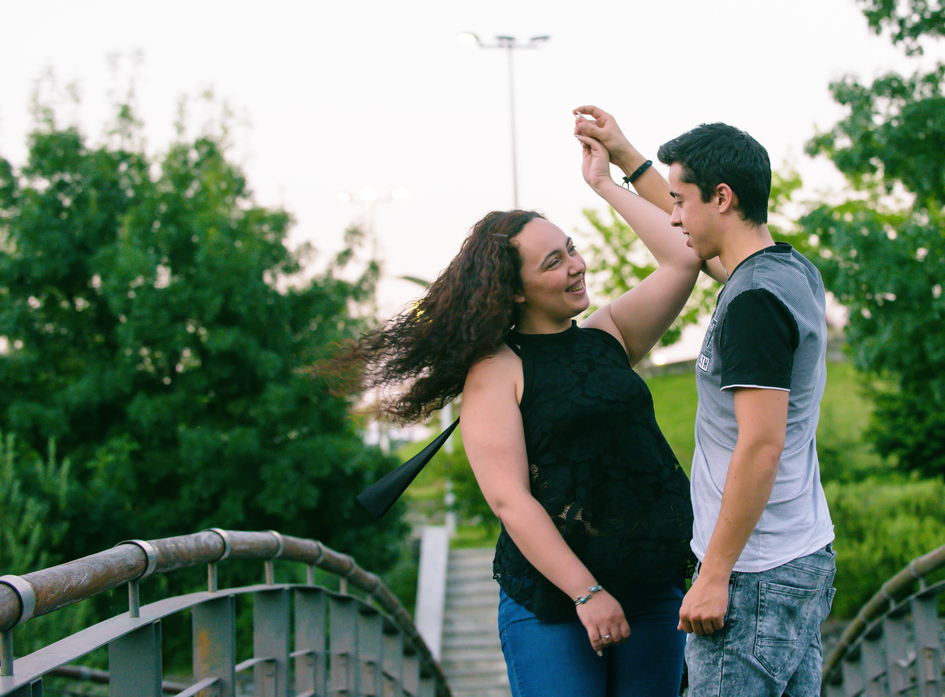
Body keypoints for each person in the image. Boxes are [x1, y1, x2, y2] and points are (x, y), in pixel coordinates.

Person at [332, 131, 701, 696]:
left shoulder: (609, 335)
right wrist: (587, 593)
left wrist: (606, 181)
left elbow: (682, 256)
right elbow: (510, 498)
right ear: (518, 290)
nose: (577, 266)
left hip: (652, 590)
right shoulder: (495, 370)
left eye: (572, 248)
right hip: (557, 603)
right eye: (555, 262)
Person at [576, 106, 836, 697]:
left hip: (755, 573)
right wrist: (620, 162)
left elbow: (761, 443)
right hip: (799, 556)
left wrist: (715, 575)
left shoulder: (753, 303)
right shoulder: (789, 272)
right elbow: (694, 246)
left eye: (680, 200)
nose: (672, 216)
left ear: (721, 198)